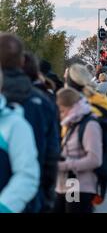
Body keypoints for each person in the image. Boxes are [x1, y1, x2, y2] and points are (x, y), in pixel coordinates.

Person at [0, 33, 60, 213]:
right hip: (32, 199)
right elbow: (52, 156)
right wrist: (46, 198)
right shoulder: (43, 103)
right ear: (21, 61)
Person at [54, 87, 102, 213]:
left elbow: (95, 159)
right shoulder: (72, 122)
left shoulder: (89, 124)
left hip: (77, 184)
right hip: (67, 183)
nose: (60, 115)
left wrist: (63, 165)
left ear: (71, 107)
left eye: (62, 111)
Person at [0, 67, 40, 213]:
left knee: (74, 203)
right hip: (65, 181)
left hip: (74, 180)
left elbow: (27, 175)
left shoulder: (15, 124)